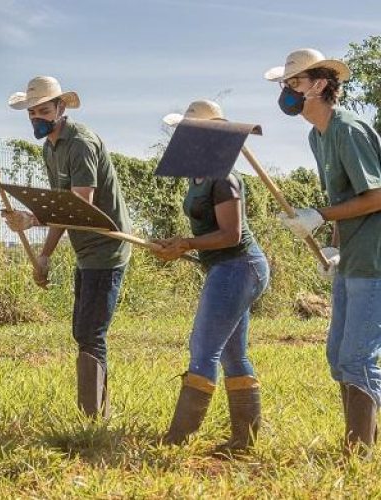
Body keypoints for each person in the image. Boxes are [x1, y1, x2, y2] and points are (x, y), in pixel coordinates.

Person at [266, 48, 381, 455]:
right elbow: (342, 196)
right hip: (351, 256)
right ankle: (362, 442)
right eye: (285, 85)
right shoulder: (317, 135)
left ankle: (359, 453)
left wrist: (319, 214)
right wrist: (332, 247)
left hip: (375, 258)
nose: (287, 92)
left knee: (358, 356)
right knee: (338, 357)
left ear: (318, 85)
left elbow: (376, 195)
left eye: (294, 84)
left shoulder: (348, 129)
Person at [2, 76, 132, 418]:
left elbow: (79, 205)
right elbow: (62, 210)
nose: (36, 118)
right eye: (31, 112)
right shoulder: (51, 148)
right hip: (84, 248)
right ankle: (94, 412)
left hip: (108, 244)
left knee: (91, 332)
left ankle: (94, 417)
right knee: (82, 329)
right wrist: (44, 255)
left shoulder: (81, 144)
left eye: (43, 110)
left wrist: (31, 219)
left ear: (61, 108)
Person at [152, 100, 270, 454]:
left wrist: (186, 242)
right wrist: (178, 245)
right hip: (227, 268)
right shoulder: (199, 174)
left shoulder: (224, 177)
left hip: (240, 266)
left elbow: (231, 235)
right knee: (234, 355)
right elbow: (209, 232)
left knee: (203, 349)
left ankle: (176, 440)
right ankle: (243, 442)